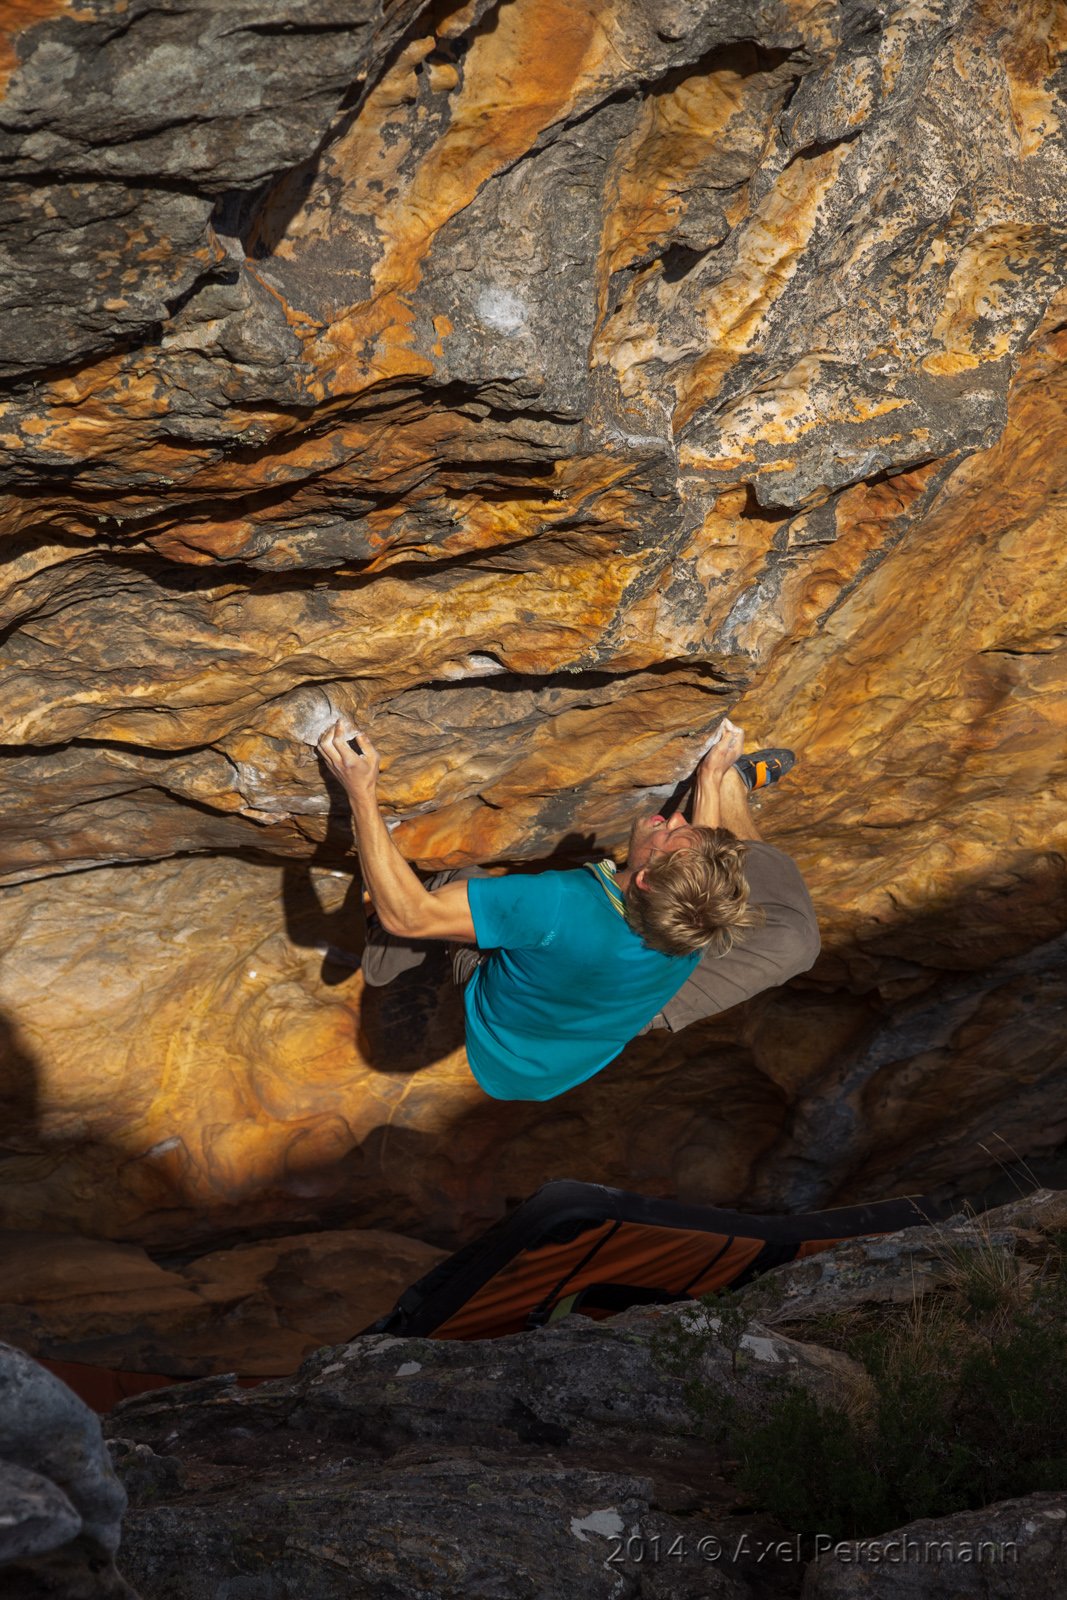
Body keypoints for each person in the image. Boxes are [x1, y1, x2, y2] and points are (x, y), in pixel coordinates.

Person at [317, 718, 819, 1101]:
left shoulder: (557, 906)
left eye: (672, 832)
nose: (671, 818)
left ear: (643, 879)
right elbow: (691, 870)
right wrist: (711, 780)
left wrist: (361, 791)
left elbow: (412, 915)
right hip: (569, 1053)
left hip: (502, 1040)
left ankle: (387, 954)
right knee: (796, 940)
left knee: (451, 887)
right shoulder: (692, 927)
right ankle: (734, 785)